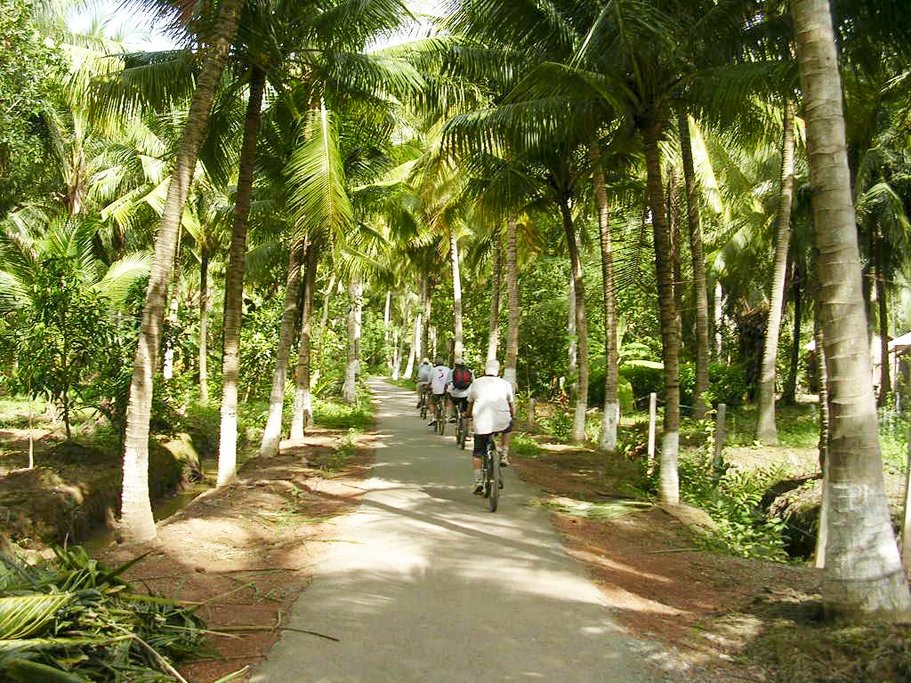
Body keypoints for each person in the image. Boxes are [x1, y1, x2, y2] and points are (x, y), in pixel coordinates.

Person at [466, 359, 515, 493]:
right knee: (509, 426)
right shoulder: (505, 384)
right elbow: (511, 405)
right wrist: (513, 415)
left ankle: (478, 482)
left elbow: (470, 403)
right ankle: (504, 453)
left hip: (481, 423)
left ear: (484, 370)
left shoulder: (476, 383)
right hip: (502, 421)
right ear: (498, 371)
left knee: (477, 453)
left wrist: (468, 415)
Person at [446, 356, 473, 423]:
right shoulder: (469, 371)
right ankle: (466, 415)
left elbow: (448, 382)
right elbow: (473, 381)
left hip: (455, 394)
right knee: (467, 402)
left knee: (450, 399)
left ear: (455, 364)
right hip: (466, 394)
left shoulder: (451, 371)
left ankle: (453, 415)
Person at [427, 357, 451, 427]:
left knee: (431, 402)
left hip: (436, 390)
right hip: (446, 389)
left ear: (435, 364)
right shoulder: (448, 369)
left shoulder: (433, 370)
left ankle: (433, 417)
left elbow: (429, 380)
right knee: (448, 401)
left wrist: (428, 386)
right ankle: (446, 415)